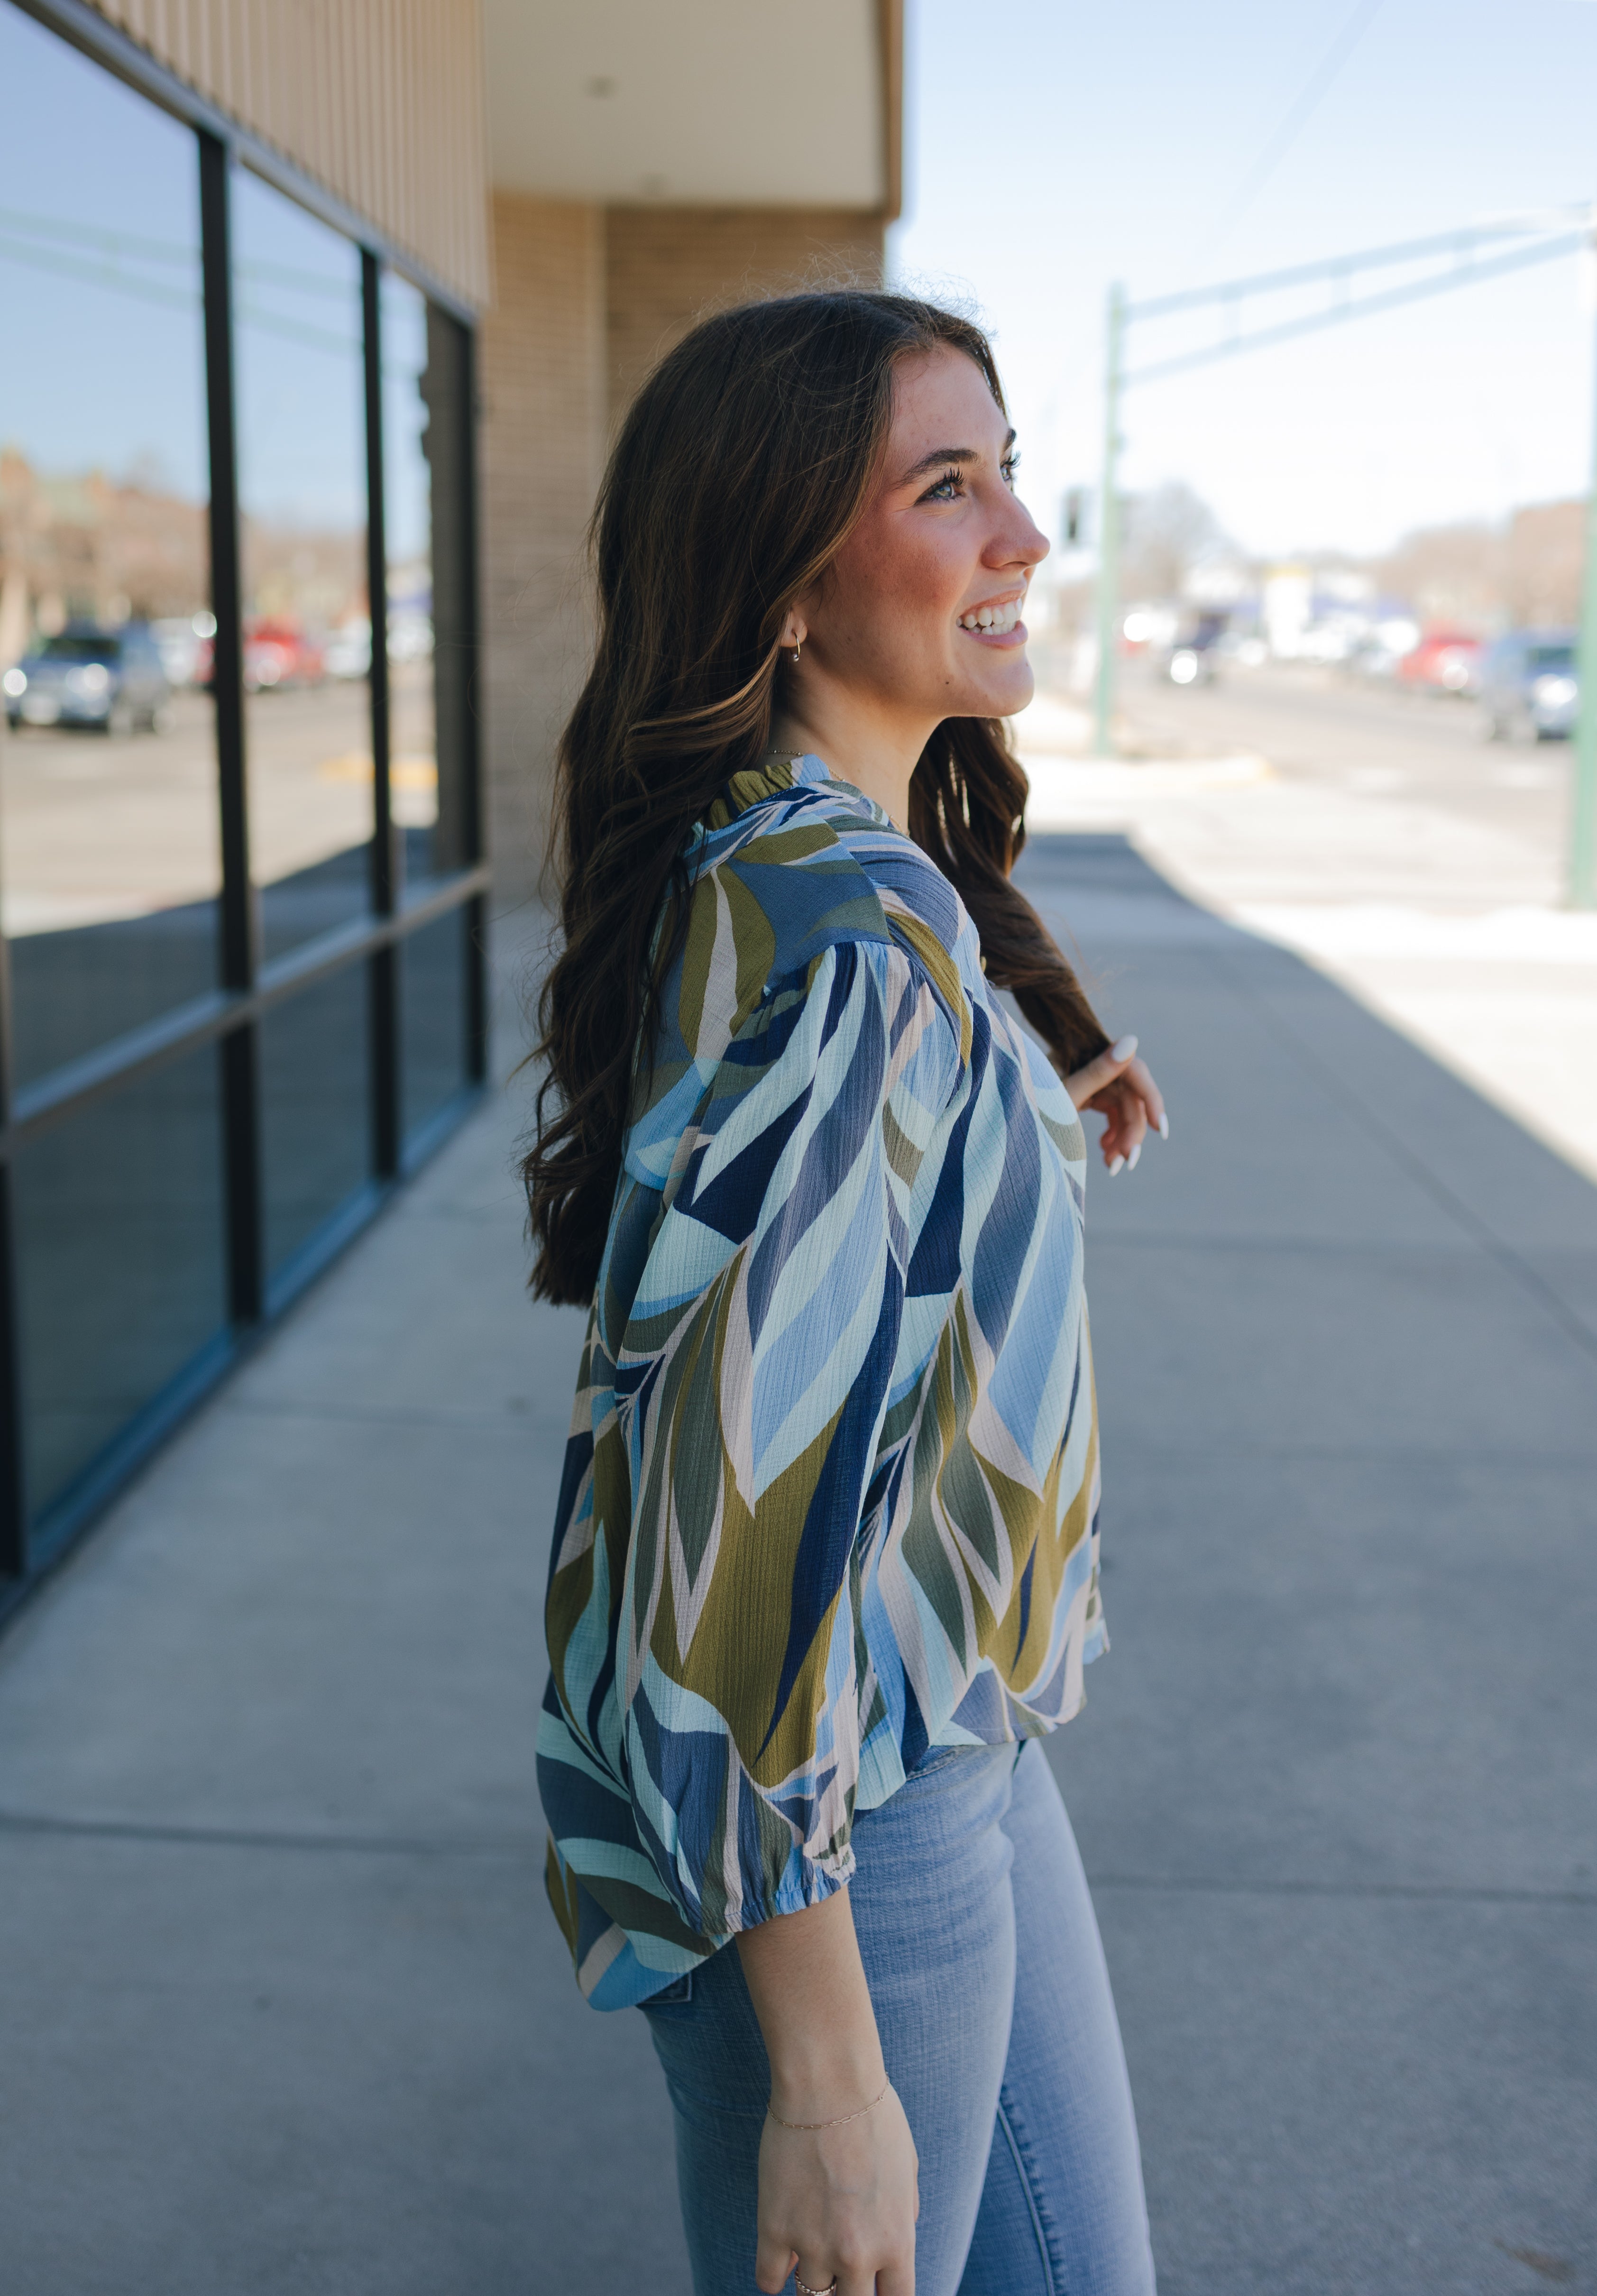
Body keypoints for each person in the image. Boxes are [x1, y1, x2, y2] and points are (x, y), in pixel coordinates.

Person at [526, 289, 1166, 2296]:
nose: (1024, 536)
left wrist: (1036, 1042)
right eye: (945, 486)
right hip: (847, 1834)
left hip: (952, 1745)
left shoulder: (813, 871)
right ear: (788, 583)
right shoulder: (857, 957)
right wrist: (822, 2072)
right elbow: (719, 1549)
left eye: (1009, 471)